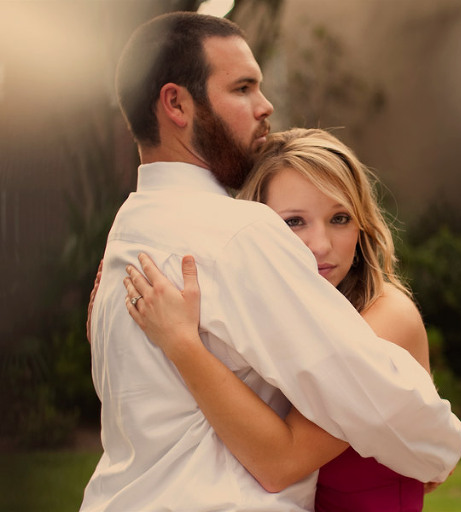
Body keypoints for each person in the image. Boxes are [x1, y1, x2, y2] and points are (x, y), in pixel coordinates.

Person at [81, 11, 461, 512]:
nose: (266, 105)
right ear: (176, 103)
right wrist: (436, 451)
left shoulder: (126, 241)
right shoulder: (239, 233)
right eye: (242, 88)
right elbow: (389, 409)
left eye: (340, 218)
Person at [120, 128, 436, 511]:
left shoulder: (387, 318)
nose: (320, 246)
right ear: (257, 232)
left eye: (340, 218)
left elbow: (278, 465)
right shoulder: (267, 316)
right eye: (294, 222)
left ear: (363, 225)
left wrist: (180, 342)